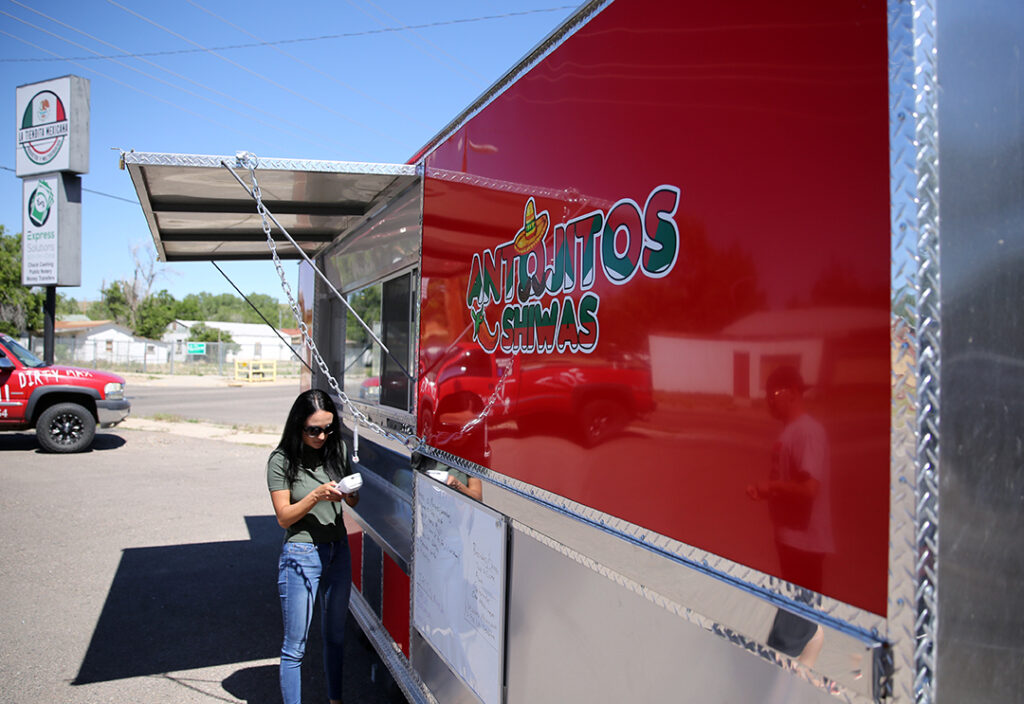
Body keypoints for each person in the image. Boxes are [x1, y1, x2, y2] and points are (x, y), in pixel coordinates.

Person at [267, 389, 359, 704]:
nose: (322, 435)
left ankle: (336, 700)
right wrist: (315, 496)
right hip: (302, 553)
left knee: (335, 636)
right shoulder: (281, 461)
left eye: (328, 428)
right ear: (298, 426)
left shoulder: (338, 450)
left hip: (338, 550)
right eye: (314, 430)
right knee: (295, 646)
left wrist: (350, 491)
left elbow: (354, 499)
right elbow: (283, 517)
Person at [747, 365, 833, 668]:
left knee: (799, 611)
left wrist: (771, 486)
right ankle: (801, 648)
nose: (770, 401)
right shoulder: (790, 432)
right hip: (791, 537)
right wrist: (767, 491)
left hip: (805, 541)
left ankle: (782, 669)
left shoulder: (808, 432)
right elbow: (791, 483)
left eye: (775, 395)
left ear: (793, 394)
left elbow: (809, 489)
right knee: (796, 605)